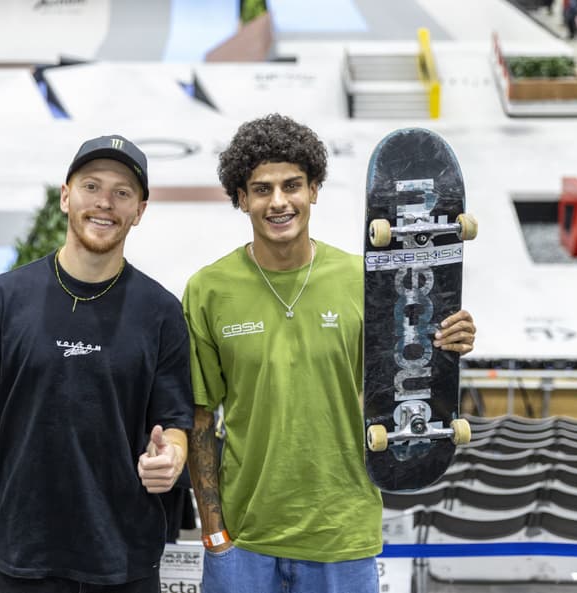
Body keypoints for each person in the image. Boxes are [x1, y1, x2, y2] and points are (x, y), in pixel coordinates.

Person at [183, 114, 477, 593]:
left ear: (314, 189)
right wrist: (214, 531)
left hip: (342, 534)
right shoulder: (208, 290)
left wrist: (449, 341)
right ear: (241, 199)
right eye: (261, 189)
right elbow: (198, 417)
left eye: (292, 185)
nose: (279, 202)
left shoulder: (365, 281)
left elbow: (411, 369)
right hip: (245, 539)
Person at [0, 134, 194, 592]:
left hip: (125, 558)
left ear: (139, 210)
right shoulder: (2, 299)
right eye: (91, 187)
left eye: (122, 193)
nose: (105, 203)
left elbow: (174, 420)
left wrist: (172, 456)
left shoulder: (161, 312)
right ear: (65, 196)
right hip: (23, 552)